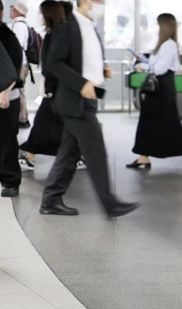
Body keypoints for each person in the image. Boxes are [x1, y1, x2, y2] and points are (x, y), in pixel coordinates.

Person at [40, 0, 138, 218]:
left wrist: (100, 71)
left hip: (87, 99)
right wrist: (82, 83)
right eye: (98, 0)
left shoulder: (89, 26)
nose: (102, 4)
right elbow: (53, 63)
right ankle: (109, 203)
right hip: (74, 100)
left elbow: (81, 61)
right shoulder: (67, 24)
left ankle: (51, 200)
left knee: (69, 152)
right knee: (95, 150)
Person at [127, 13, 182, 169]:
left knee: (169, 123)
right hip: (157, 88)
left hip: (162, 88)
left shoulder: (169, 45)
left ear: (165, 26)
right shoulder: (163, 45)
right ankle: (143, 157)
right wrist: (145, 60)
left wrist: (145, 66)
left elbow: (160, 69)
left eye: (158, 24)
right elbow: (157, 64)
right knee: (148, 121)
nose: (156, 28)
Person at [19, 0, 86, 173]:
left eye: (42, 13)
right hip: (58, 89)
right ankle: (74, 155)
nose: (40, 16)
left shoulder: (59, 33)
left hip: (59, 89)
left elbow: (55, 64)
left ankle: (31, 154)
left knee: (46, 123)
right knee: (56, 125)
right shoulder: (57, 33)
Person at [0, 1, 22, 198]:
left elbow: (14, 69)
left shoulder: (9, 37)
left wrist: (5, 91)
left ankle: (10, 181)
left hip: (6, 97)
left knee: (6, 141)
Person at [9, 0, 30, 129]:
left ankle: (22, 119)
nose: (10, 11)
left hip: (19, 64)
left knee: (19, 91)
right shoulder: (20, 25)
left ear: (17, 11)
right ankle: (22, 118)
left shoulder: (19, 26)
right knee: (20, 91)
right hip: (21, 63)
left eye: (12, 9)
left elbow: (16, 47)